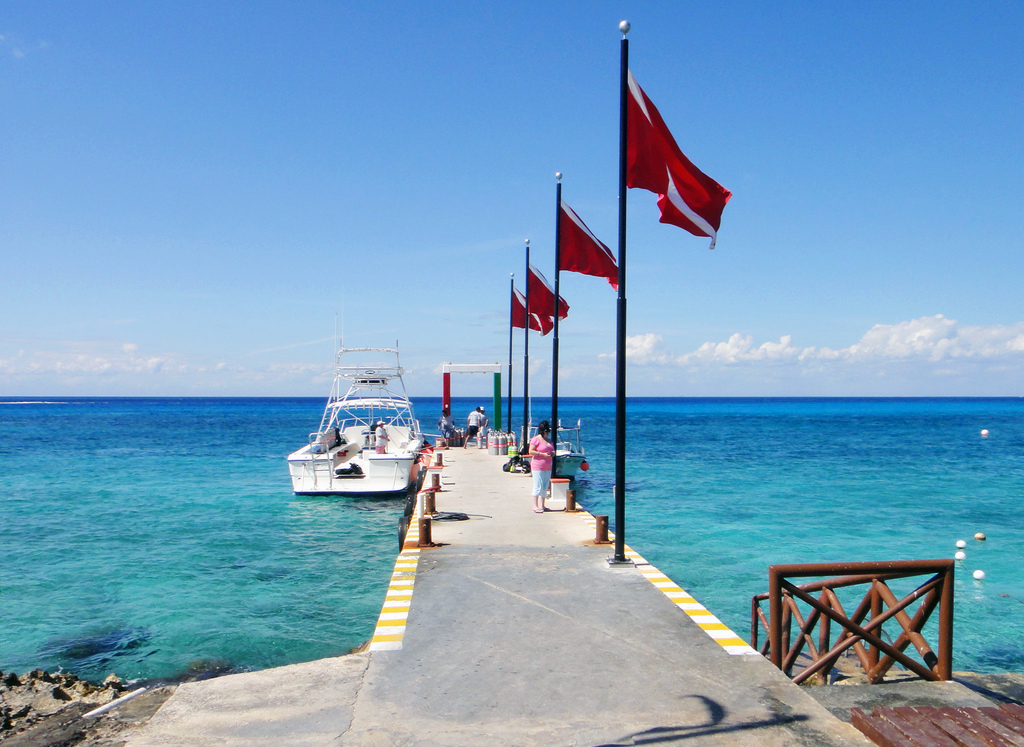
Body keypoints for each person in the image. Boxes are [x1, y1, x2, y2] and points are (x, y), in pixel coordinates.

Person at [523, 420, 555, 513]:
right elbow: (531, 451)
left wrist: (552, 453)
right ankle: (535, 505)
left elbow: (552, 450)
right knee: (538, 485)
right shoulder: (536, 439)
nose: (547, 433)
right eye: (546, 431)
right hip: (538, 466)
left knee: (545, 486)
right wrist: (542, 454)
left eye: (548, 431)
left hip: (548, 466)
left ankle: (542, 505)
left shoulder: (549, 441)